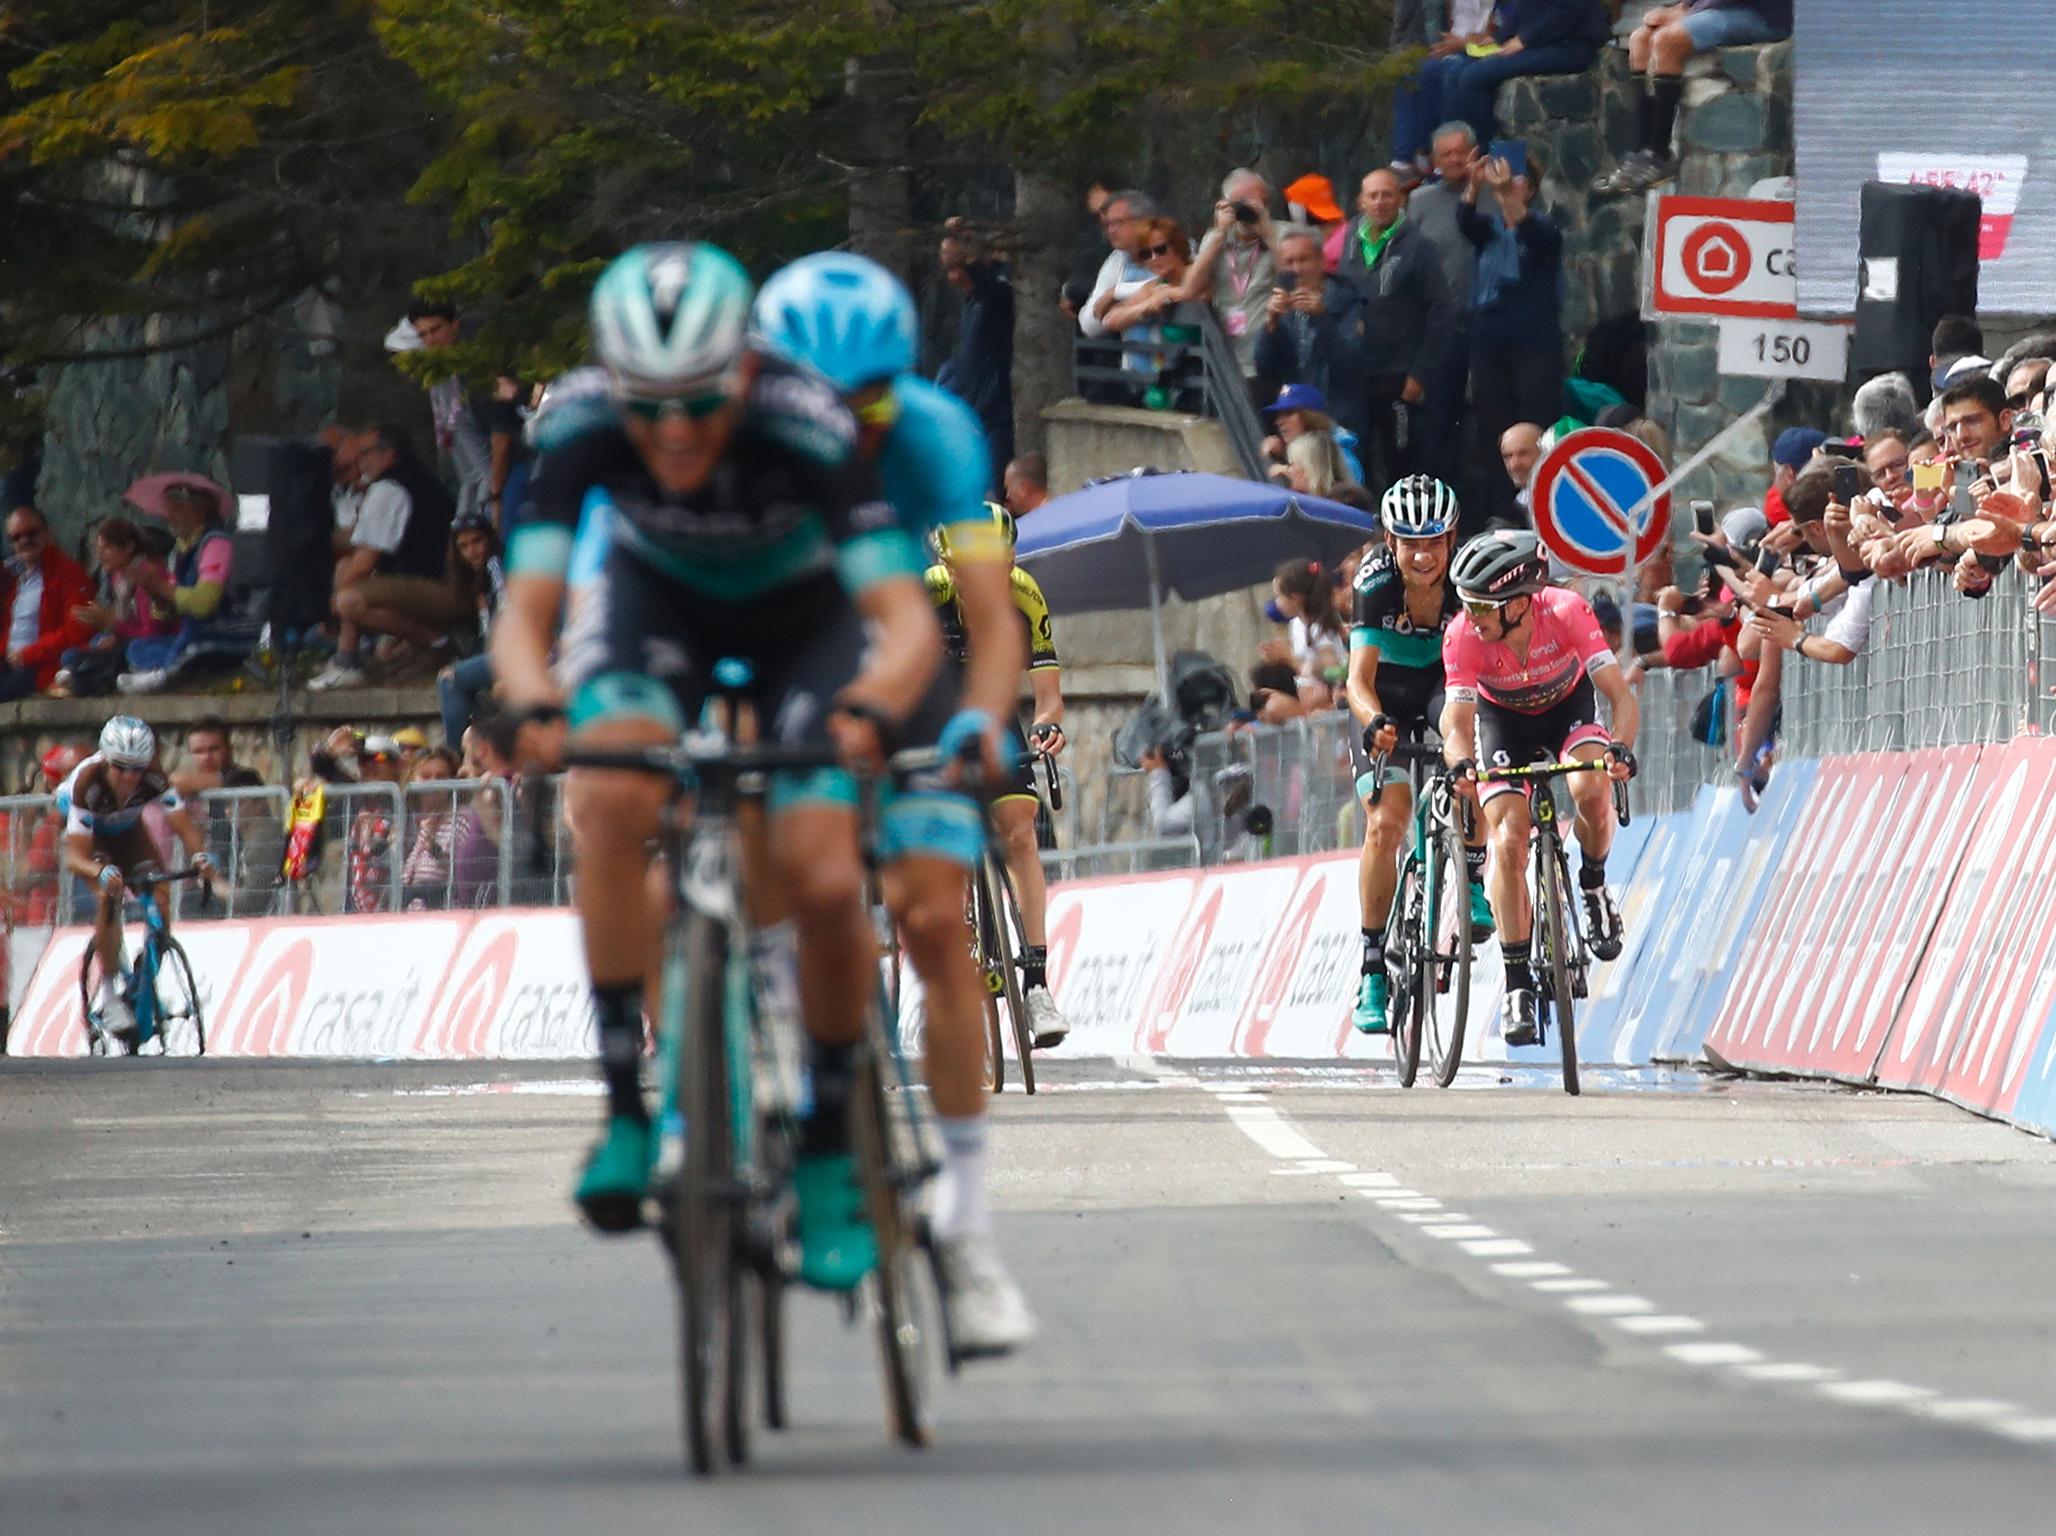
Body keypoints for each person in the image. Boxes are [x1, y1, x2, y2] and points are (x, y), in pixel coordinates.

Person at [502, 242, 1030, 1352]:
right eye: (658, 406)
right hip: (666, 604)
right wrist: (538, 703)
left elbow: (963, 622)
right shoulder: (605, 423)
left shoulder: (892, 435)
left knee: (923, 912)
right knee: (621, 800)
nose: (856, 415)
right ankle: (680, 1087)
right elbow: (551, 604)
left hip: (836, 629)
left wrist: (964, 719)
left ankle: (959, 1224)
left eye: (872, 398)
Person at [1439, 529, 1639, 1047]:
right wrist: (1460, 764)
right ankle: (1517, 983)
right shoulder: (1463, 635)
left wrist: (1619, 747)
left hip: (1567, 711)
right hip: (1501, 721)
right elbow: (1457, 723)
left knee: (1589, 788)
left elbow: (1620, 697)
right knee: (1508, 838)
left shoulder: (1567, 610)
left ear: (1519, 601)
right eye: (1467, 604)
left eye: (1482, 606)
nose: (1471, 617)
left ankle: (1593, 884)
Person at [1344, 477, 1494, 1033]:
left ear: (1452, 538)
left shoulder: (1467, 578)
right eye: (1409, 543)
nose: (1423, 555)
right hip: (1385, 696)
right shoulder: (1375, 579)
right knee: (1386, 824)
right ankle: (1371, 971)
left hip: (1441, 687)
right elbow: (1357, 680)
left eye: (1434, 541)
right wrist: (1374, 721)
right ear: (1389, 538)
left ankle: (1473, 880)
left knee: (1467, 755)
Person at [922, 504, 1071, 1047]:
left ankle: (1036, 983)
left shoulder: (1023, 593)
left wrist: (1047, 730)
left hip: (991, 706)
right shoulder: (928, 592)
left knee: (1020, 827)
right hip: (932, 709)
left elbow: (1048, 698)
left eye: (1003, 563)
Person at [56, 717, 214, 1045]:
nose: (129, 777)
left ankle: (145, 974)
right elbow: (74, 856)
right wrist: (100, 872)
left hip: (127, 832)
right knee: (108, 894)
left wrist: (201, 857)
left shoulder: (154, 778)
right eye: (121, 768)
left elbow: (184, 826)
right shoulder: (89, 782)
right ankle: (111, 994)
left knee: (159, 887)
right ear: (106, 760)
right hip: (91, 838)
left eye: (137, 769)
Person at [1337, 168, 1457, 497]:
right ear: (1360, 201)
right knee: (1357, 458)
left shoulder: (1419, 247)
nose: (1379, 202)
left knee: (1403, 462)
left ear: (1400, 199)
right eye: (1372, 195)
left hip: (1400, 376)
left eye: (1387, 194)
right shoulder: (1349, 240)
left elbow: (1441, 310)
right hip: (1359, 372)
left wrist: (1421, 372)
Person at [1594, 2, 1795, 196]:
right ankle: (1640, 153)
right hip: (1717, 8)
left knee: (1668, 40)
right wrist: (1681, 7)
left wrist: (1687, 13)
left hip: (1761, 14)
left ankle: (1658, 152)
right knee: (1639, 39)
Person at [1459, 147, 1565, 498]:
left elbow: (1535, 235)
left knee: (1536, 423)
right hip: (1490, 343)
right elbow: (1465, 220)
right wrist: (1474, 186)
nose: (1508, 184)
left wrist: (1505, 194)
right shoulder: (1488, 232)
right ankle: (1502, 503)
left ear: (1531, 188)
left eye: (1517, 179)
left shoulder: (1543, 227)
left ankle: (1543, 497)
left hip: (1535, 345)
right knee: (1493, 424)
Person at [1440, 0, 1610, 148]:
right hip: (1537, 43)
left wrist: (1525, 39)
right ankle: (1452, 161)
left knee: (1474, 78)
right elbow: (1524, 8)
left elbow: (1568, 9)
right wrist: (1500, 38)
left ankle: (1484, 157)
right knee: (1453, 72)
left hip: (1569, 45)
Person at [1253, 227, 1369, 441]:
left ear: (1321, 262)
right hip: (1298, 420)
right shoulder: (1284, 308)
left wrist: (1321, 317)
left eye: (1303, 260)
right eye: (1289, 262)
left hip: (1339, 420)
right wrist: (1271, 324)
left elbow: (1350, 367)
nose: (1296, 269)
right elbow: (1265, 368)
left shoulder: (1348, 301)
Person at [1183, 169, 1280, 395]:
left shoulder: (1281, 235)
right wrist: (1219, 233)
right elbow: (1190, 288)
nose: (1252, 210)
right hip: (1227, 360)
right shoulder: (1215, 239)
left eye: (1261, 203)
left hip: (1267, 361)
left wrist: (1268, 232)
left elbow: (1293, 276)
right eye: (1243, 204)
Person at [54, 517, 175, 698]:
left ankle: (89, 673)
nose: (101, 556)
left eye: (107, 548)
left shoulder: (146, 574)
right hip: (127, 641)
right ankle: (86, 671)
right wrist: (112, 634)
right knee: (73, 654)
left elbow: (152, 631)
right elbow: (122, 626)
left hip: (156, 642)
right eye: (98, 550)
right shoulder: (118, 579)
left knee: (135, 650)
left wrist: (113, 626)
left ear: (128, 547)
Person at [935, 217, 1015, 479]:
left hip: (995, 412)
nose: (953, 276)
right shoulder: (970, 304)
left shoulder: (995, 294)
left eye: (955, 266)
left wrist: (963, 240)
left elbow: (985, 280)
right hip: (973, 410)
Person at [0, 505, 93, 701]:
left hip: (42, 668)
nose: (25, 540)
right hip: (11, 666)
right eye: (16, 537)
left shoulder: (68, 574)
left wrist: (30, 654)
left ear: (46, 533)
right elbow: (10, 634)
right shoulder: (18, 580)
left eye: (31, 533)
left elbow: (77, 632)